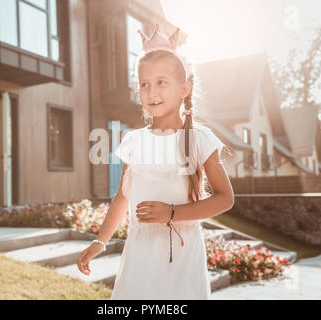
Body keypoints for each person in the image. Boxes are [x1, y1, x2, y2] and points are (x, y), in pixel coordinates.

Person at [77, 23, 234, 300]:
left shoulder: (200, 138)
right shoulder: (133, 141)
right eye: (144, 84)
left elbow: (225, 199)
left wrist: (172, 213)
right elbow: (122, 197)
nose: (152, 92)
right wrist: (100, 241)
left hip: (181, 255)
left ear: (184, 88)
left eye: (162, 82)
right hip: (139, 252)